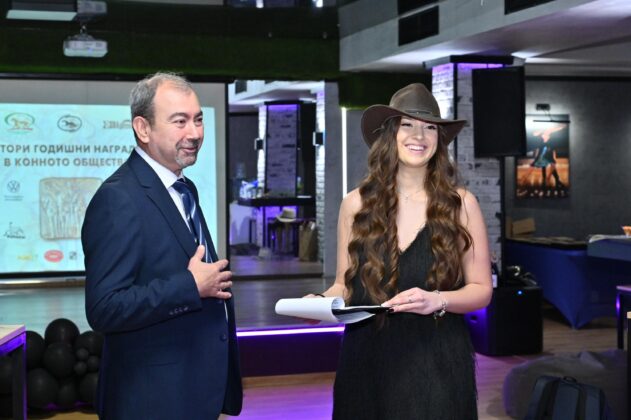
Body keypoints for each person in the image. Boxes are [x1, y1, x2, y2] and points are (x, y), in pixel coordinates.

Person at [310, 83, 493, 419]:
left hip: (437, 362)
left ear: (439, 139)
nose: (419, 136)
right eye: (407, 124)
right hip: (366, 361)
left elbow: (481, 290)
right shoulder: (355, 204)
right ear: (389, 134)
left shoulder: (461, 204)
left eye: (429, 127)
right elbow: (343, 285)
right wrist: (319, 302)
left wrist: (437, 300)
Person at [82, 72, 242, 419]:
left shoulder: (184, 189)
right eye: (180, 121)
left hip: (192, 391)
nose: (195, 133)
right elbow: (104, 308)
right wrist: (190, 286)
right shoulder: (118, 199)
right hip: (152, 400)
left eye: (198, 120)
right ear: (143, 128)